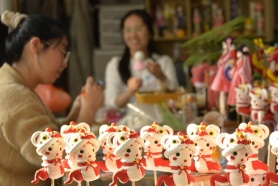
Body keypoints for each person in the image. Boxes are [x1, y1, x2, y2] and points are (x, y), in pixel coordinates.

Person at [0, 11, 104, 186]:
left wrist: (76, 112)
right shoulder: (13, 95)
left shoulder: (15, 86)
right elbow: (56, 157)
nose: (64, 63)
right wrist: (88, 112)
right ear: (36, 46)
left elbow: (51, 136)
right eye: (62, 52)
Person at [104, 9, 178, 130]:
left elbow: (176, 97)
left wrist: (161, 77)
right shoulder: (115, 65)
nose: (133, 35)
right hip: (130, 126)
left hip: (162, 125)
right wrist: (129, 91)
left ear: (150, 33)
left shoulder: (163, 62)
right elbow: (112, 103)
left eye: (138, 29)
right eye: (127, 30)